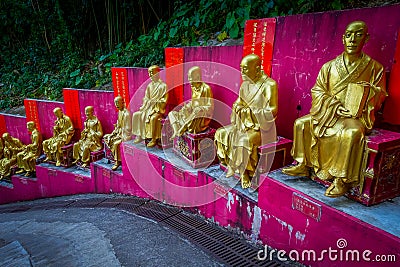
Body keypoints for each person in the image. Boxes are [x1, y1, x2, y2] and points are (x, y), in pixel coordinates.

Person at [282, 21, 387, 198]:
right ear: (343, 39)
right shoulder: (329, 66)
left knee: (351, 134)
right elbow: (318, 90)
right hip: (329, 112)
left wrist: (367, 93)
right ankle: (303, 163)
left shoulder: (375, 68)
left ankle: (341, 179)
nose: (352, 39)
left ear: (366, 38)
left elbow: (381, 95)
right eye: (348, 35)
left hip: (354, 116)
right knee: (301, 123)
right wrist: (334, 106)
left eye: (358, 34)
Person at [215, 54, 278, 189]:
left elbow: (273, 109)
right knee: (221, 133)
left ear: (256, 68)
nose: (242, 72)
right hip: (244, 123)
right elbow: (239, 102)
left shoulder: (269, 84)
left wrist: (252, 111)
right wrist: (238, 107)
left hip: (260, 127)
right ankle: (230, 164)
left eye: (245, 69)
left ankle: (244, 173)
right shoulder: (245, 85)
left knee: (243, 141)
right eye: (241, 68)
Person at [168, 66, 214, 139]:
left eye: (191, 79)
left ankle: (183, 128)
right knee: (171, 114)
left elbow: (210, 107)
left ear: (198, 77)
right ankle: (176, 131)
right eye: (189, 78)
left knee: (197, 110)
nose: (190, 81)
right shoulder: (194, 87)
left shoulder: (206, 89)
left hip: (200, 117)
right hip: (191, 115)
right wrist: (188, 106)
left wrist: (200, 108)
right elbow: (193, 102)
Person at [132, 65, 168, 147]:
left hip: (157, 109)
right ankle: (139, 135)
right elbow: (145, 98)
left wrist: (154, 102)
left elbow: (164, 101)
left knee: (153, 118)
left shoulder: (163, 86)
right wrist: (148, 102)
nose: (150, 75)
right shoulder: (149, 86)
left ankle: (154, 139)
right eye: (149, 73)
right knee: (136, 115)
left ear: (157, 73)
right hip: (148, 108)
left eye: (152, 73)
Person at [103, 96, 131, 170]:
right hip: (118, 133)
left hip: (125, 135)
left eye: (118, 103)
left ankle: (117, 162)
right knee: (106, 137)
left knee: (116, 144)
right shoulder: (120, 112)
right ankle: (114, 154)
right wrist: (116, 129)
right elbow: (119, 125)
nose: (116, 105)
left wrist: (120, 131)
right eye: (115, 103)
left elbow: (128, 128)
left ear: (123, 102)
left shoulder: (126, 114)